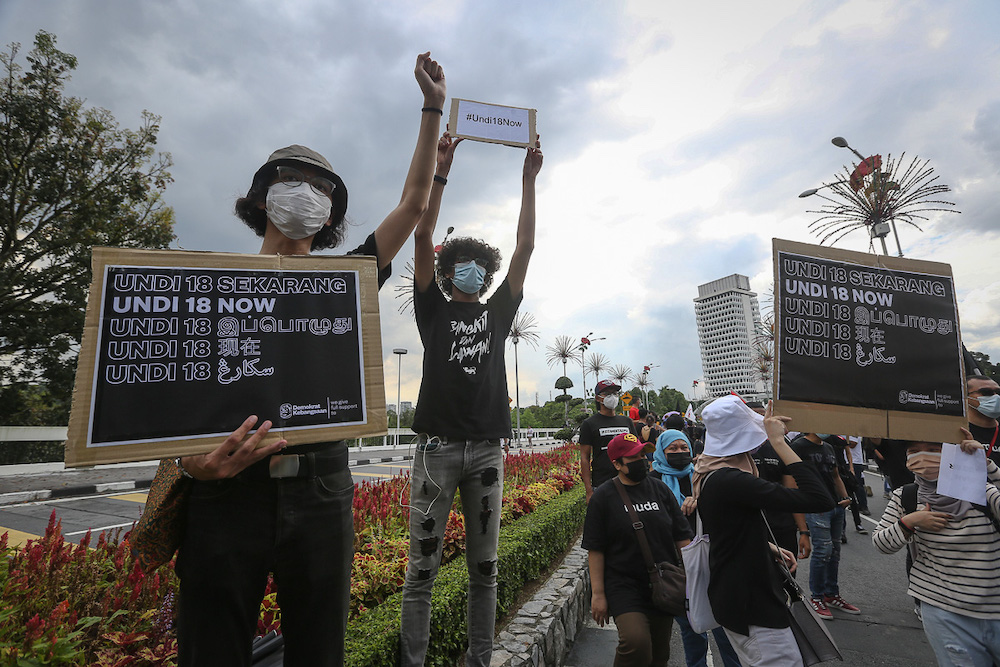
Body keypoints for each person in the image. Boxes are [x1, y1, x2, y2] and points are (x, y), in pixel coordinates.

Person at [171, 54, 448, 667]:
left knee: (320, 652)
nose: (306, 193)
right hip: (224, 495)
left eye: (322, 188)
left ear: (332, 214)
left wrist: (431, 107)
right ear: (261, 198)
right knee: (209, 651)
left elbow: (414, 202)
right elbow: (170, 399)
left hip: (323, 491)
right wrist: (191, 464)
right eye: (291, 180)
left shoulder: (346, 279)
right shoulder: (204, 284)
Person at [400, 131, 543, 667]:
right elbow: (422, 234)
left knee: (485, 571)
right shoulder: (431, 310)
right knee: (421, 572)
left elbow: (525, 248)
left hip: (486, 451)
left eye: (481, 267)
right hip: (435, 450)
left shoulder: (498, 312)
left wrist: (528, 181)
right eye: (464, 264)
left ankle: (480, 660)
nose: (475, 272)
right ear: (449, 269)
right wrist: (440, 172)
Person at [694, 396, 834, 667]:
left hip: (738, 596)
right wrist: (781, 443)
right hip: (752, 603)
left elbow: (726, 528)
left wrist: (767, 546)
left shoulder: (709, 471)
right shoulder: (731, 480)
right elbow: (819, 498)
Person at [872, 431, 1000, 666]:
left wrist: (987, 466)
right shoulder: (906, 496)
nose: (923, 457)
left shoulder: (982, 489)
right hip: (942, 609)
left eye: (933, 449)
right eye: (914, 451)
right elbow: (881, 543)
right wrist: (910, 522)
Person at [583, 433, 694, 666]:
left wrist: (697, 575)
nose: (642, 460)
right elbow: (596, 549)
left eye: (643, 454)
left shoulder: (660, 490)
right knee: (636, 643)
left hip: (663, 581)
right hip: (623, 585)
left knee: (659, 652)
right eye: (634, 457)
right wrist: (598, 594)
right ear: (616, 464)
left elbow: (682, 536)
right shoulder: (603, 498)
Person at [651, 428, 741, 666]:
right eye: (672, 449)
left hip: (711, 559)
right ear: (662, 451)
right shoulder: (653, 483)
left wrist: (700, 502)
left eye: (684, 448)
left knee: (723, 624)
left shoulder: (702, 477)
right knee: (691, 627)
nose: (679, 453)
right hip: (677, 564)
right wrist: (675, 512)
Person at [786, 432, 860, 619]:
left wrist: (845, 497)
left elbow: (835, 476)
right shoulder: (798, 446)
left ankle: (831, 594)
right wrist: (802, 526)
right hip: (815, 507)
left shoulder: (827, 447)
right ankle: (816, 597)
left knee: (834, 553)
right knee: (822, 552)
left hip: (835, 507)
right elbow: (792, 482)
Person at [579, 379, 641, 502]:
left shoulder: (626, 421)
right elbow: (584, 458)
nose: (612, 397)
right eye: (607, 394)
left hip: (629, 481)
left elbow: (637, 450)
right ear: (598, 398)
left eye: (615, 393)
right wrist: (589, 490)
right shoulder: (589, 424)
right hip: (602, 483)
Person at [967, 374, 1000, 466]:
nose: (996, 396)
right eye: (986, 392)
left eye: (998, 392)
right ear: (965, 397)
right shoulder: (954, 431)